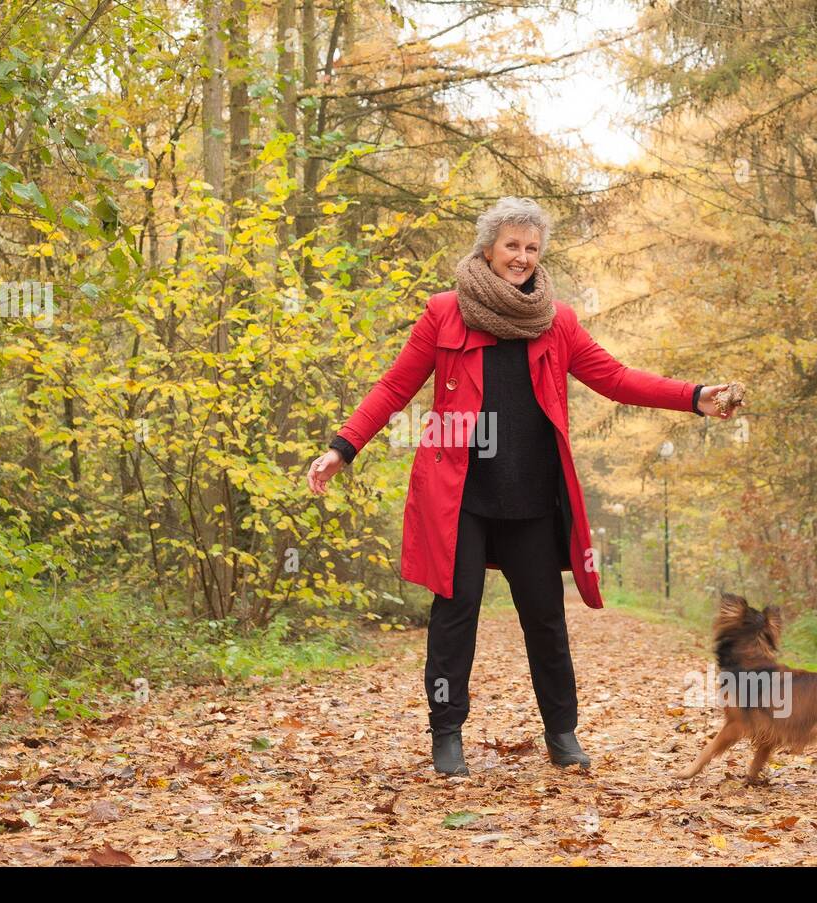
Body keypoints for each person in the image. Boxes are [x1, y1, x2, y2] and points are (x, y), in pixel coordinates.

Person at [306, 197, 739, 775]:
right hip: (461, 499)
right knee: (453, 617)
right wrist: (343, 447)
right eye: (512, 245)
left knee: (546, 621)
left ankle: (562, 734)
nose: (522, 257)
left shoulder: (557, 321)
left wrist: (693, 395)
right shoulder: (444, 313)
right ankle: (447, 734)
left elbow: (613, 378)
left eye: (532, 248)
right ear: (488, 246)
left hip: (533, 498)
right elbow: (394, 388)